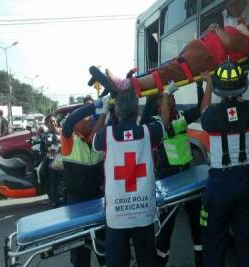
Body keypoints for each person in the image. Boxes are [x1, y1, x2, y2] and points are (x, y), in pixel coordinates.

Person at [102, 0, 249, 94]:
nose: (244, 23)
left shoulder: (246, 42)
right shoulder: (238, 34)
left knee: (169, 72)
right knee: (167, 68)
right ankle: (130, 82)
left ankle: (128, 84)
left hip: (205, 56)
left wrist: (216, 28)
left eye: (248, 24)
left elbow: (227, 43)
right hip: (200, 49)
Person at [92, 87, 172, 267]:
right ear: (138, 111)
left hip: (117, 215)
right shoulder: (147, 132)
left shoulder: (107, 135)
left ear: (117, 111)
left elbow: (94, 139)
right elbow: (165, 124)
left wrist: (103, 112)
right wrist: (166, 95)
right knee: (147, 261)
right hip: (143, 212)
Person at [199, 60, 249, 267]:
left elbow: (204, 109)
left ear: (218, 88)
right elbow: (238, 105)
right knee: (246, 240)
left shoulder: (212, 116)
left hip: (221, 185)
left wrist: (208, 83)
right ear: (242, 85)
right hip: (247, 181)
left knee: (214, 240)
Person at [140, 82, 204, 267]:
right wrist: (161, 93)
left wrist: (200, 84)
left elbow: (200, 109)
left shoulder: (181, 116)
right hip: (167, 180)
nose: (171, 98)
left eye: (171, 96)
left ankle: (200, 260)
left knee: (197, 226)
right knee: (166, 231)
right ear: (158, 104)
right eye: (165, 98)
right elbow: (162, 122)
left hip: (187, 176)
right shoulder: (153, 124)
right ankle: (160, 262)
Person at [60, 102, 106, 267]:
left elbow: (101, 124)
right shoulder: (68, 139)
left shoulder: (97, 139)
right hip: (76, 203)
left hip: (97, 199)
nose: (91, 119)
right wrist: (94, 105)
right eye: (86, 118)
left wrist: (104, 111)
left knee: (104, 245)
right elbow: (68, 122)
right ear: (77, 124)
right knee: (80, 249)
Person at [41, 114, 62, 207]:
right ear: (47, 124)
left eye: (54, 121)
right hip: (53, 159)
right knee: (53, 181)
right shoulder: (47, 135)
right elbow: (50, 149)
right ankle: (55, 201)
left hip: (63, 158)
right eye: (51, 121)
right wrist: (60, 146)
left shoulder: (60, 131)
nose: (53, 123)